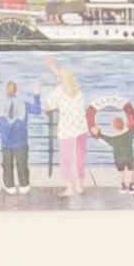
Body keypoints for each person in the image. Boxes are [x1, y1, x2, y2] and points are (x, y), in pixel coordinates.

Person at [47, 61, 90, 196]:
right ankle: (79, 186)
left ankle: (70, 188)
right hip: (81, 130)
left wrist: (48, 108)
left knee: (67, 160)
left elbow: (48, 105)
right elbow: (65, 79)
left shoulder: (59, 91)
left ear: (61, 79)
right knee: (79, 158)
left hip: (67, 131)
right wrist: (54, 70)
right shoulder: (79, 91)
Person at [0, 77, 32, 193]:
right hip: (15, 140)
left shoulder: (4, 104)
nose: (9, 91)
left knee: (13, 164)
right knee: (15, 164)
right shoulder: (19, 103)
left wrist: (6, 129)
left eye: (10, 89)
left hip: (12, 141)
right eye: (9, 89)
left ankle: (17, 185)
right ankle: (17, 185)